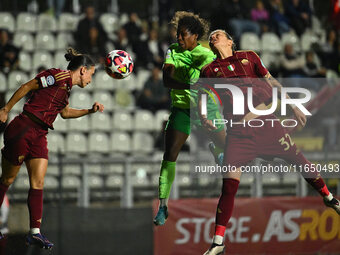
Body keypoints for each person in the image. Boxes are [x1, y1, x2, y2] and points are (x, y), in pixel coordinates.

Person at [201, 29, 340, 255]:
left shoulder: (250, 57)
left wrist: (294, 106)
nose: (214, 36)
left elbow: (273, 85)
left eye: (219, 34)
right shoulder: (209, 70)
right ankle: (218, 242)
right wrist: (206, 117)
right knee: (228, 185)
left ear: (230, 41)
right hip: (239, 133)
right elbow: (203, 98)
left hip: (268, 126)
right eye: (212, 35)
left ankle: (329, 197)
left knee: (300, 161)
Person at [0, 48, 104, 249]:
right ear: (83, 70)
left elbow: (64, 113)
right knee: (7, 179)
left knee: (38, 181)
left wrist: (89, 111)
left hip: (40, 134)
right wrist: (6, 109)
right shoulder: (58, 76)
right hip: (24, 128)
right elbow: (28, 86)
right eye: (91, 74)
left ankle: (34, 233)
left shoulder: (65, 90)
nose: (91, 79)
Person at [153, 11, 226, 226]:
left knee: (229, 152)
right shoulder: (173, 51)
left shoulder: (206, 55)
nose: (179, 38)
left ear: (195, 36)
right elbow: (168, 79)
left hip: (207, 109)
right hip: (182, 109)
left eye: (183, 35)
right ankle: (163, 206)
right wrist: (191, 85)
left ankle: (217, 149)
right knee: (170, 154)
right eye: (177, 34)